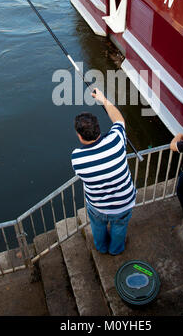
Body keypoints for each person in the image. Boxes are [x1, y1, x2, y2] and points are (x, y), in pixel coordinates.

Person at [71, 88, 136, 255]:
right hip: (124, 201)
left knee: (98, 226)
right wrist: (103, 99)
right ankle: (116, 250)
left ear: (79, 136)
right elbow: (119, 120)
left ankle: (101, 247)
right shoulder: (116, 140)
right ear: (98, 129)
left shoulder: (77, 158)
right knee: (119, 227)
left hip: (98, 204)